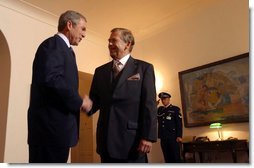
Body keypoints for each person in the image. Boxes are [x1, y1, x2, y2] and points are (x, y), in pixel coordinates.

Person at [27, 10, 92, 163]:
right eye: (82, 29)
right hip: (49, 132)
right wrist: (80, 101)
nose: (84, 35)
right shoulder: (53, 44)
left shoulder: (67, 50)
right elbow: (52, 80)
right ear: (69, 25)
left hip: (57, 132)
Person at [87, 28, 157, 163]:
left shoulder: (144, 69)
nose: (109, 44)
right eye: (109, 41)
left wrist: (148, 137)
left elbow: (149, 105)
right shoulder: (100, 72)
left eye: (114, 40)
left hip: (132, 142)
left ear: (128, 44)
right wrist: (77, 101)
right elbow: (93, 103)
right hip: (105, 142)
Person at [157, 92, 183, 163]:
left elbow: (179, 123)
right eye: (162, 99)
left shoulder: (175, 109)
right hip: (163, 137)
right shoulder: (160, 110)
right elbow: (152, 116)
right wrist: (154, 105)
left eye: (165, 99)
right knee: (167, 158)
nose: (163, 101)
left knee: (176, 157)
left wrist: (179, 136)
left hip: (173, 137)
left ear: (169, 99)